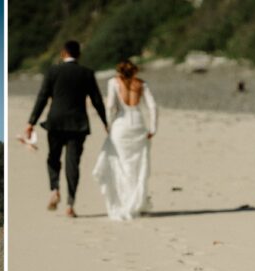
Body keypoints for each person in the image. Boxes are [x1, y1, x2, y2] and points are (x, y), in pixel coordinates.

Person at [26, 40, 108, 218]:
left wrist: (31, 122)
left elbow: (42, 98)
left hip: (55, 123)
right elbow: (97, 100)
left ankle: (55, 189)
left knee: (53, 158)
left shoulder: (53, 71)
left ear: (63, 54)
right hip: (78, 125)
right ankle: (70, 204)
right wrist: (105, 122)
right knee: (73, 164)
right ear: (78, 54)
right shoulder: (86, 73)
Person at [91, 59, 158, 221]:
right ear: (134, 71)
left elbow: (111, 106)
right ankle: (135, 202)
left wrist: (108, 124)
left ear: (119, 71)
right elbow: (152, 106)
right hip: (138, 126)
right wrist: (153, 128)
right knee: (138, 166)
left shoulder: (113, 83)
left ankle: (123, 201)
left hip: (121, 126)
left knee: (120, 165)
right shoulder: (142, 84)